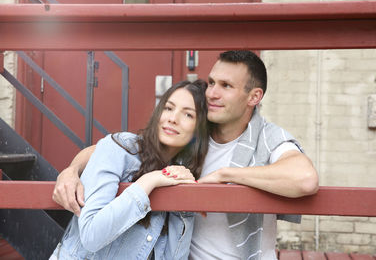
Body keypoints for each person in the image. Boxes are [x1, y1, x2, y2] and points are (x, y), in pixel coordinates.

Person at [53, 51, 319, 260]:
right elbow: (117, 147)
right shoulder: (192, 135)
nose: (213, 93)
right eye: (212, 82)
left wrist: (226, 175)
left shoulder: (265, 138)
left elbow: (305, 179)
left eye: (226, 85)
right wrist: (72, 170)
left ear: (254, 96)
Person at [50, 80, 209, 260]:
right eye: (168, 108)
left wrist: (185, 207)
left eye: (188, 115)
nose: (173, 118)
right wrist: (149, 181)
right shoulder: (122, 149)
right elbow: (90, 234)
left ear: (199, 130)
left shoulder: (179, 173)